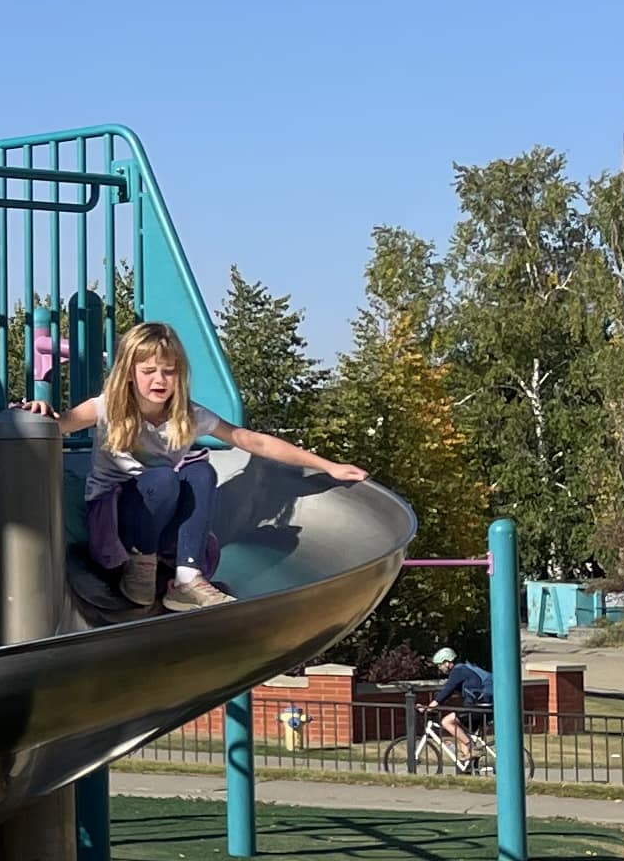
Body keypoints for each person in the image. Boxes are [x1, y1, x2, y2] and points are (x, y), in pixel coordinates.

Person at [61, 321, 365, 614]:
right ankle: (140, 565)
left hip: (161, 522)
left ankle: (186, 578)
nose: (160, 380)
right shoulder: (107, 408)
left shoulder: (186, 415)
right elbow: (58, 425)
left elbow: (251, 441)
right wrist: (36, 415)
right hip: (116, 526)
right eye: (149, 371)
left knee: (200, 471)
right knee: (166, 478)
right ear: (129, 373)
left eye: (169, 372)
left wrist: (329, 466)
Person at [422, 645, 495, 773]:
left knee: (446, 722)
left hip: (479, 707)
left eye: (440, 665)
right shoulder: (465, 669)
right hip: (485, 706)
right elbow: (450, 692)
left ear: (448, 662)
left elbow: (447, 690)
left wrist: (429, 707)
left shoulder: (458, 671)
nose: (439, 668)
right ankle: (467, 770)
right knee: (462, 733)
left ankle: (472, 748)